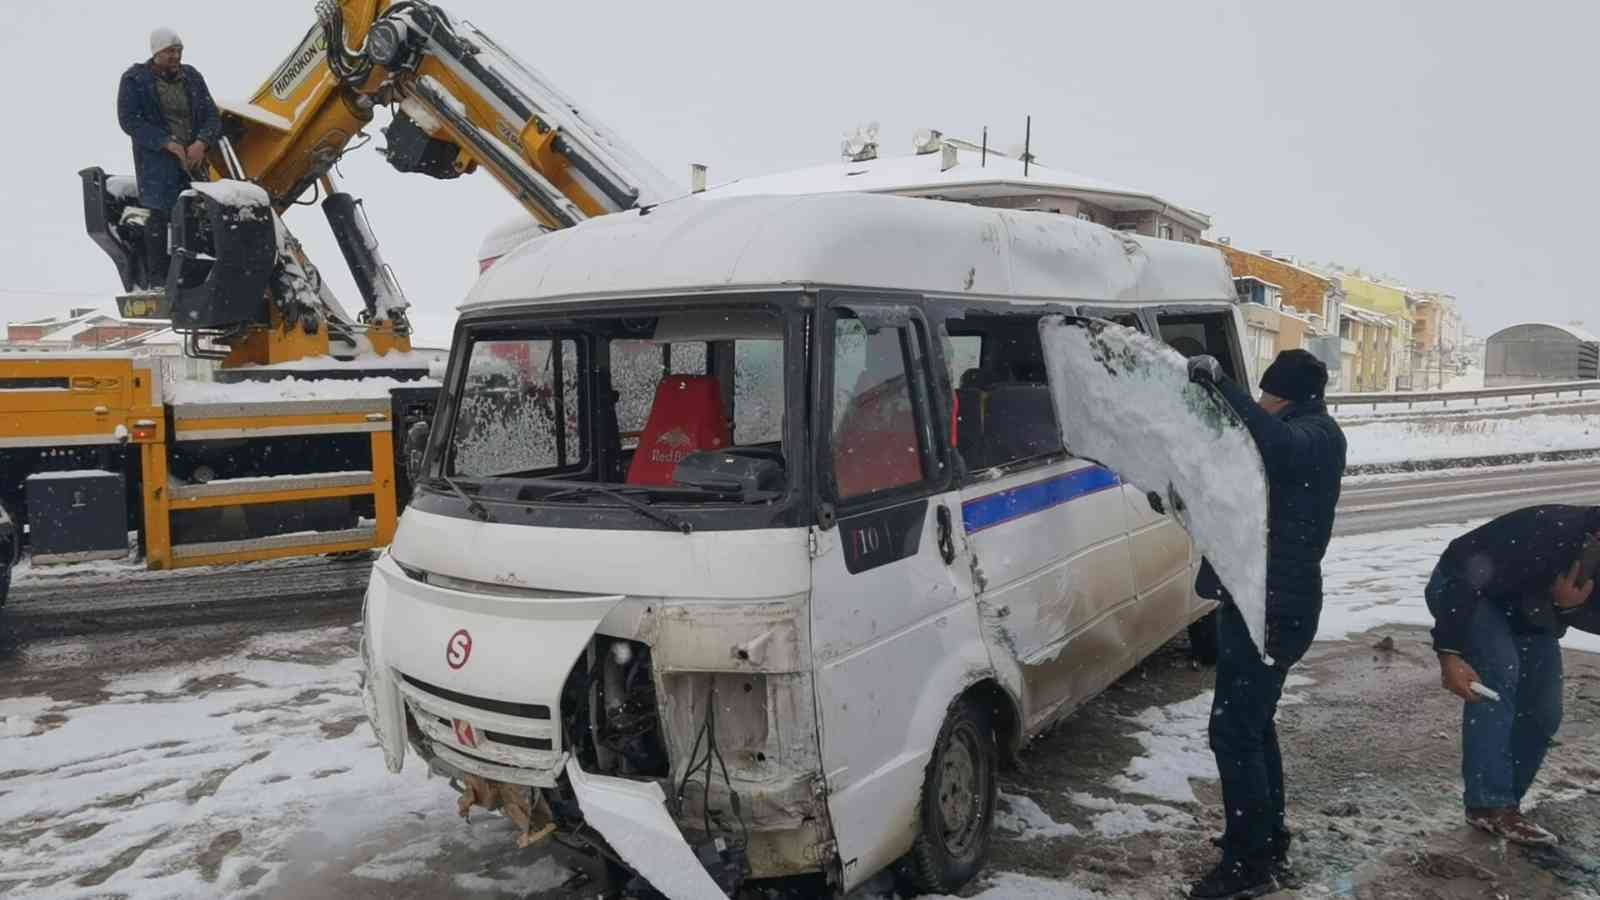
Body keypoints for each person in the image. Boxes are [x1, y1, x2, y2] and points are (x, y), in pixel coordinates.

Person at [1184, 349, 1346, 899]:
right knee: (1253, 725)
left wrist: (1224, 386)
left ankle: (1248, 863)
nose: (1262, 404)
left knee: (1234, 731)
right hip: (1261, 601)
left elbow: (1277, 448)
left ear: (1291, 396)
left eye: (1268, 395)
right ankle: (1266, 837)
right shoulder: (1298, 429)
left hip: (1275, 608)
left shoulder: (1319, 435)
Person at [1425, 505, 1600, 845]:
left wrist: (1570, 607)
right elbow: (1464, 580)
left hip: (1525, 611)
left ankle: (1507, 803)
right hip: (1463, 588)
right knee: (1499, 672)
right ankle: (1487, 805)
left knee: (1544, 708)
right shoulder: (1552, 533)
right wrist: (1449, 654)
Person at [116, 27, 221, 287]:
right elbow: (129, 121)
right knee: (160, 218)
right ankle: (159, 279)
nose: (176, 56)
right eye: (170, 51)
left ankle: (197, 276)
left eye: (179, 50)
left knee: (199, 216)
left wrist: (201, 142)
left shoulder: (192, 77)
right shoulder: (135, 79)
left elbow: (211, 115)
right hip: (157, 164)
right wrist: (165, 142)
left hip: (194, 161)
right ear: (156, 53)